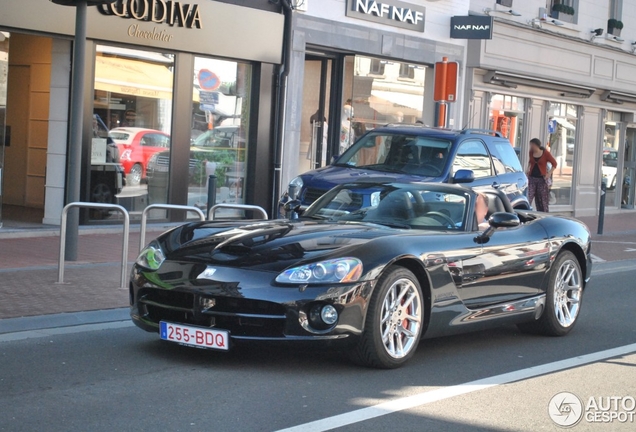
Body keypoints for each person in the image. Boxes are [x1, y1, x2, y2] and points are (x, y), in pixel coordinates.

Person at [527, 138, 557, 212]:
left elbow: (554, 163)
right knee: (528, 197)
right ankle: (526, 213)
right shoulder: (531, 152)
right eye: (530, 145)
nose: (531, 147)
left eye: (532, 145)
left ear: (536, 145)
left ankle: (544, 216)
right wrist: (528, 169)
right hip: (532, 178)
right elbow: (530, 161)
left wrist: (549, 173)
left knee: (542, 200)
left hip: (541, 180)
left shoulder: (545, 153)